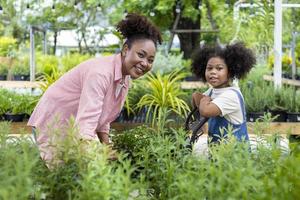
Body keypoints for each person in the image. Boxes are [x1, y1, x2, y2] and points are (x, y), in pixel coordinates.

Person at [28, 13, 162, 164]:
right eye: (141, 55)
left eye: (150, 60)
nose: (145, 63)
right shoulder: (101, 73)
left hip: (74, 127)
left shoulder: (124, 79)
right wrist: (99, 158)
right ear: (125, 50)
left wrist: (108, 148)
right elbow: (86, 125)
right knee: (65, 179)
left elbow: (103, 118)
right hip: (54, 124)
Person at [191, 42, 256, 144]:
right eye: (209, 68)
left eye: (219, 68)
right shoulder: (213, 90)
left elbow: (205, 110)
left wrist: (203, 100)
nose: (213, 72)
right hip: (218, 153)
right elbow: (198, 101)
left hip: (235, 154)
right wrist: (198, 97)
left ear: (229, 72)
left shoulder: (231, 95)